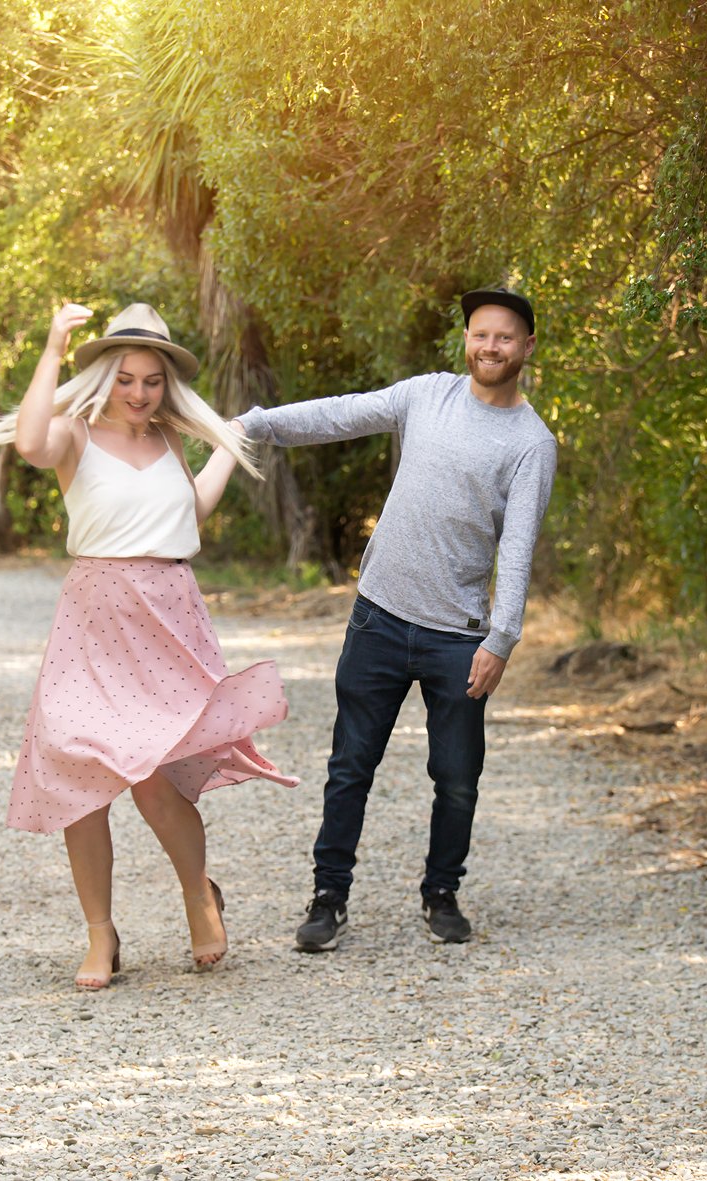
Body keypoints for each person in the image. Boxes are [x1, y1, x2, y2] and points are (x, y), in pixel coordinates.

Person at [0, 302, 298, 988]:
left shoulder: (171, 440)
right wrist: (55, 341)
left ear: (166, 384)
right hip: (91, 622)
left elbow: (187, 517)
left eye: (152, 380)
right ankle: (100, 933)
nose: (139, 392)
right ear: (102, 374)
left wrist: (226, 452)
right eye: (126, 378)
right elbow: (29, 443)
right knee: (81, 782)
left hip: (166, 618)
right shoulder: (72, 434)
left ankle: (197, 895)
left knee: (152, 783)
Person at [234, 287, 556, 951]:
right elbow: (339, 415)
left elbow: (517, 548)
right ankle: (328, 897)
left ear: (525, 347)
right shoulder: (426, 394)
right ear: (465, 338)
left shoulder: (531, 443)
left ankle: (441, 893)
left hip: (458, 640)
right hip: (377, 618)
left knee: (457, 778)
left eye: (503, 337)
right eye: (479, 334)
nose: (489, 346)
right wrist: (256, 423)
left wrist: (501, 638)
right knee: (350, 763)